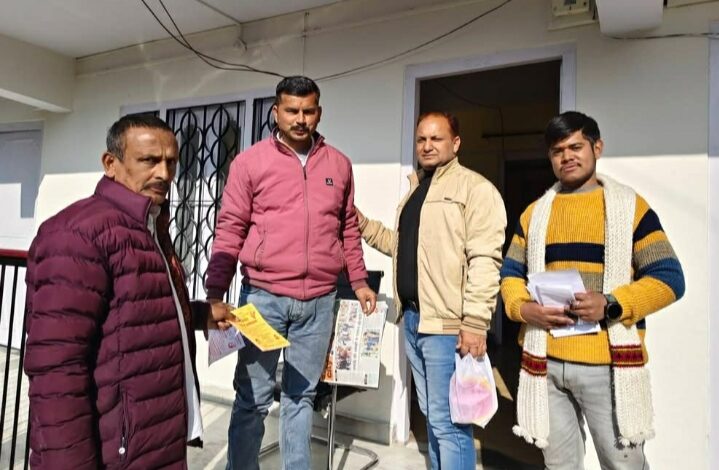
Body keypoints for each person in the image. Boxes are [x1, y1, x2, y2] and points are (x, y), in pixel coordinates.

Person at [23, 114, 233, 469]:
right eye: (149, 160)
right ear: (111, 163)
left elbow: (138, 310)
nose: (164, 173)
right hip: (113, 451)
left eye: (171, 162)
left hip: (154, 440)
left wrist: (199, 314)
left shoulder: (149, 224)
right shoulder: (76, 235)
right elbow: (56, 372)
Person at [204, 75, 377, 470]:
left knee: (302, 397)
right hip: (262, 299)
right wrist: (215, 291)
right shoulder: (250, 163)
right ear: (276, 112)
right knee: (253, 398)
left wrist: (360, 281)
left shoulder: (339, 164)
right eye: (292, 110)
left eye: (308, 111)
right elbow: (230, 228)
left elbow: (347, 228)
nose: (300, 119)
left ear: (319, 113)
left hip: (319, 302)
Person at [500, 111, 685, 469]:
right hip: (545, 363)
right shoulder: (534, 213)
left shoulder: (631, 208)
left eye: (575, 147)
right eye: (557, 151)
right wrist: (523, 309)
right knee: (560, 465)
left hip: (608, 367)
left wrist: (612, 304)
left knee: (623, 465)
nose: (566, 157)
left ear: (597, 148)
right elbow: (510, 274)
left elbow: (670, 278)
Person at [357, 112, 507, 470]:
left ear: (455, 143)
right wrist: (359, 222)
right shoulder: (417, 191)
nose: (427, 146)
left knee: (450, 422)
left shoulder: (475, 189)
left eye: (436, 139)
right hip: (413, 320)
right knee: (433, 416)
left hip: (447, 327)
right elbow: (400, 246)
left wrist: (475, 322)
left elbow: (485, 259)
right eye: (421, 139)